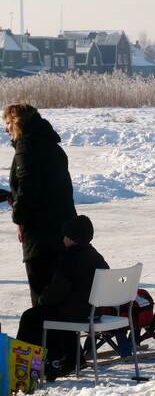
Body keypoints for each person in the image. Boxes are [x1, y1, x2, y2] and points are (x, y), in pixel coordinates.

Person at [16, 215, 108, 380]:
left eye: (65, 236)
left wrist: (42, 300)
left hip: (76, 313)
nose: (63, 239)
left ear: (72, 238)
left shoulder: (69, 258)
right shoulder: (96, 257)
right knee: (52, 313)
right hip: (94, 312)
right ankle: (71, 358)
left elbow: (57, 291)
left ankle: (25, 367)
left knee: (31, 316)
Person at [3, 104, 76, 306]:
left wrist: (20, 220)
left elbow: (29, 188)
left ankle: (41, 337)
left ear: (18, 123)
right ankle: (62, 338)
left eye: (8, 123)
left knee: (42, 299)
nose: (6, 128)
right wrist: (13, 196)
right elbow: (48, 189)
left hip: (40, 236)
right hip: (62, 231)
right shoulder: (52, 146)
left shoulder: (26, 146)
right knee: (60, 298)